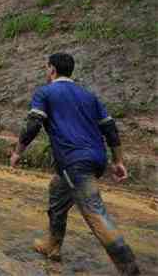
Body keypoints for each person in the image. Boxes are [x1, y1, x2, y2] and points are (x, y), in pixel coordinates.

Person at [10, 53, 140, 275]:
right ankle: (53, 244)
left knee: (94, 210)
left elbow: (33, 125)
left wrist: (17, 152)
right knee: (57, 189)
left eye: (46, 68)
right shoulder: (89, 96)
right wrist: (118, 161)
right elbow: (110, 129)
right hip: (95, 159)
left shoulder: (45, 92)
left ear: (51, 70)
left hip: (74, 161)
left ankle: (128, 267)